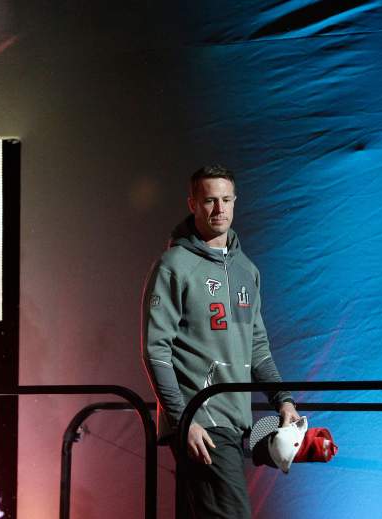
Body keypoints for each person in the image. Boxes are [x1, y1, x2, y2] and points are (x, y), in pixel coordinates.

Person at [141, 164, 299, 518]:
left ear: (235, 202)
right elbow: (156, 350)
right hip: (202, 422)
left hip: (236, 424)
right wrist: (184, 422)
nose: (219, 209)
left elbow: (257, 347)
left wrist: (283, 401)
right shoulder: (174, 265)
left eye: (226, 200)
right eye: (209, 201)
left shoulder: (248, 270)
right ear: (193, 204)